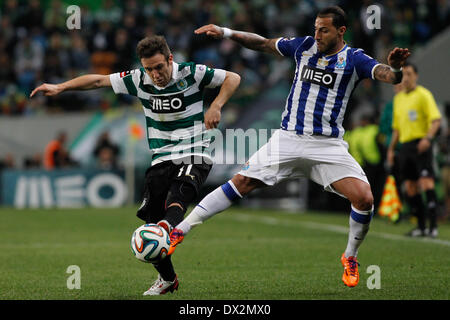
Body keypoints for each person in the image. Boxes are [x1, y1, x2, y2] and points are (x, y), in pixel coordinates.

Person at [168, 6, 410, 288]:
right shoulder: (304, 47)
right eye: (316, 28)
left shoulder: (354, 59)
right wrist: (225, 32)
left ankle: (350, 256)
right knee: (241, 182)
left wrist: (394, 67)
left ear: (341, 31)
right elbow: (261, 42)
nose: (317, 34)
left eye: (324, 30)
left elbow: (388, 76)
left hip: (327, 145)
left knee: (365, 198)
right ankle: (179, 230)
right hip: (288, 139)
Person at [30, 35, 241, 295]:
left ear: (170, 59)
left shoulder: (192, 73)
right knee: (149, 222)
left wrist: (216, 105)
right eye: (149, 69)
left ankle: (168, 228)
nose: (155, 74)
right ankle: (168, 278)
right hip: (161, 157)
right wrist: (61, 87)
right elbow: (98, 80)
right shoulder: (138, 79)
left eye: (159, 67)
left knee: (179, 194)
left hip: (195, 151)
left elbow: (233, 77)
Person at [387, 62, 442, 238]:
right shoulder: (398, 99)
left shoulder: (424, 95)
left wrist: (427, 138)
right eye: (404, 74)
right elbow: (396, 128)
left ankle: (433, 227)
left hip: (421, 144)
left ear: (416, 76)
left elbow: (436, 120)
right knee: (410, 187)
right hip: (405, 147)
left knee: (426, 183)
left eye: (410, 74)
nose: (406, 77)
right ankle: (420, 226)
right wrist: (391, 150)